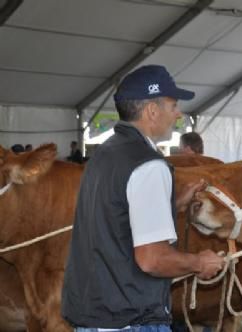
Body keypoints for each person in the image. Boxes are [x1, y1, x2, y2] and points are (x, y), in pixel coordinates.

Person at [61, 65, 224, 332]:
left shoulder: (104, 154)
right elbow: (152, 259)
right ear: (151, 110)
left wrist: (171, 206)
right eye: (173, 105)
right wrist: (198, 262)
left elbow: (116, 220)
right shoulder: (148, 165)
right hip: (130, 318)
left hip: (97, 314)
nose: (178, 114)